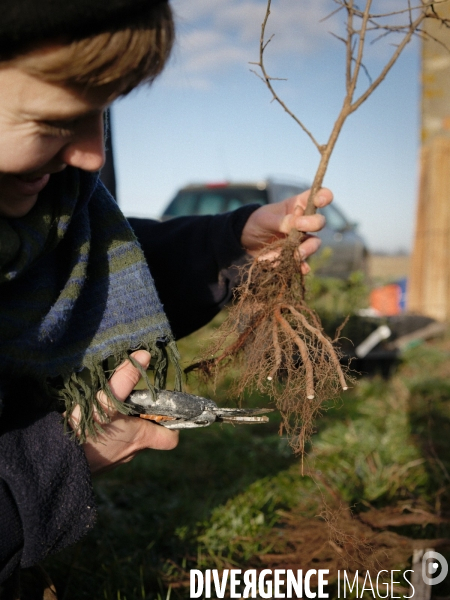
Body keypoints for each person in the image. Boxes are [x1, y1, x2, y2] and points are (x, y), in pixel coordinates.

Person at [0, 0, 333, 595]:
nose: (93, 157)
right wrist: (55, 463)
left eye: (103, 116)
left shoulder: (54, 208)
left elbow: (87, 274)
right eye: (53, 122)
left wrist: (229, 247)